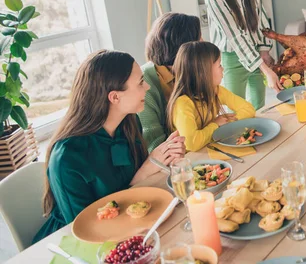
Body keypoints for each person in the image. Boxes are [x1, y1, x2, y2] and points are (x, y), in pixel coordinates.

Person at [34, 50, 186, 243]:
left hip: (134, 228)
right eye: (140, 82)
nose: (147, 87)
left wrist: (163, 160)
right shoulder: (67, 157)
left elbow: (139, 191)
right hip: (74, 244)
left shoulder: (130, 124)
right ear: (114, 97)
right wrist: (144, 172)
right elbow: (89, 230)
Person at [205, 0, 280, 110]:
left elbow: (260, 16)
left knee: (259, 108)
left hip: (255, 52)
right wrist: (265, 69)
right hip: (231, 58)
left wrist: (264, 50)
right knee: (235, 111)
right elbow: (235, 37)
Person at [167, 41, 256, 152]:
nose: (223, 69)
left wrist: (226, 122)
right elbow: (191, 143)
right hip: (191, 160)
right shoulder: (183, 103)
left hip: (210, 148)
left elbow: (249, 109)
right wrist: (215, 125)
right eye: (219, 65)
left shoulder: (216, 90)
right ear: (203, 72)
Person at [139, 12, 202, 152]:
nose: (203, 44)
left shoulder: (188, 72)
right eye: (199, 40)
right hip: (167, 164)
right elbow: (155, 146)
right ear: (182, 47)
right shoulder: (144, 82)